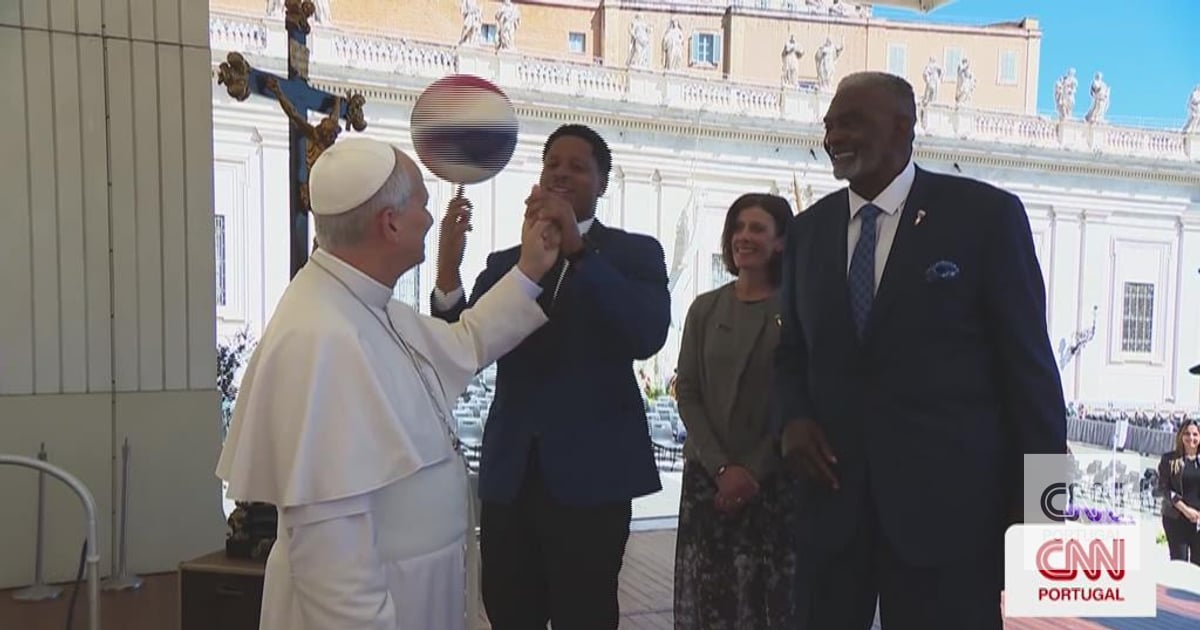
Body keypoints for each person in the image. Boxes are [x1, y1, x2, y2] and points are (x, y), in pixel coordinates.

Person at [216, 137, 564, 630]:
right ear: (391, 222)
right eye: (423, 202)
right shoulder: (322, 340)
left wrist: (529, 270)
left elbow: (463, 344)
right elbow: (331, 557)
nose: (429, 217)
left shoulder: (363, 304)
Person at [773, 72, 1067, 629]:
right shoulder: (808, 233)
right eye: (830, 124)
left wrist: (1042, 513)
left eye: (852, 122)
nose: (834, 135)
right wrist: (792, 418)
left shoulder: (985, 217)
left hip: (952, 522)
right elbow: (791, 354)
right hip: (832, 514)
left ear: (904, 127)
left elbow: (1032, 376)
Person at [430, 123, 671, 629]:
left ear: (602, 184)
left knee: (585, 613)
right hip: (511, 477)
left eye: (577, 166)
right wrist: (448, 275)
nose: (561, 173)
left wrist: (579, 251)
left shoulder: (633, 254)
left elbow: (646, 334)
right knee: (509, 610)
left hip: (593, 480)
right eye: (552, 165)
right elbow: (462, 349)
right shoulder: (505, 264)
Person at [673, 193, 799, 629]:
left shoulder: (797, 311)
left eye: (758, 228)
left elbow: (800, 398)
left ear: (781, 242)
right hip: (708, 484)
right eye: (738, 227)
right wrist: (723, 468)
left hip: (773, 485)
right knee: (712, 603)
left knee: (769, 605)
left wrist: (754, 469)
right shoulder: (704, 309)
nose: (744, 237)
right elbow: (687, 390)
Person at [1157, 419, 1200, 565]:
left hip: (1198, 522)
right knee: (1179, 565)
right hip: (1175, 520)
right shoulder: (1169, 460)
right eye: (1187, 434)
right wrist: (1185, 510)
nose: (1191, 438)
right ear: (1181, 435)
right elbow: (1163, 488)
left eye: (1195, 434)